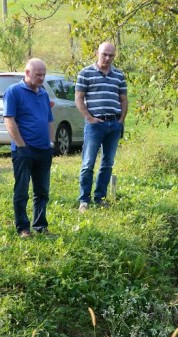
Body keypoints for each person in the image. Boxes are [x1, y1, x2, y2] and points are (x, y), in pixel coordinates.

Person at [3, 58, 55, 237]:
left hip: (44, 150)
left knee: (42, 191)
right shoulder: (14, 91)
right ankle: (23, 227)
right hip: (24, 150)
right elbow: (9, 119)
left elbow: (49, 120)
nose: (41, 78)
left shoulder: (43, 93)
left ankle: (40, 225)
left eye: (43, 75)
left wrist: (51, 143)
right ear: (27, 73)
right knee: (22, 191)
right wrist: (21, 146)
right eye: (38, 74)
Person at [75, 41, 128, 213]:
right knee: (88, 163)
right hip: (95, 125)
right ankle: (84, 200)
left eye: (111, 55)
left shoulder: (119, 75)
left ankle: (100, 198)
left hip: (114, 124)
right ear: (97, 53)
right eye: (104, 54)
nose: (107, 58)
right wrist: (89, 118)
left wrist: (121, 121)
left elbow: (123, 100)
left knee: (107, 163)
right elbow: (79, 98)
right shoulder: (85, 73)